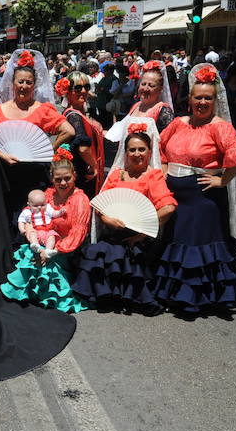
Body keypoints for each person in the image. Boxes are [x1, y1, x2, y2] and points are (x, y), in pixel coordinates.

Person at [155, 64, 236, 314]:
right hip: (175, 195)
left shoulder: (220, 126)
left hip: (202, 198)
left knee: (195, 247)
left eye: (208, 98)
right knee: (175, 243)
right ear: (190, 99)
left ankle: (195, 298)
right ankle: (173, 293)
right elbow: (161, 147)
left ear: (215, 100)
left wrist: (222, 180)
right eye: (198, 97)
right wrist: (165, 170)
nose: (202, 102)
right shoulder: (178, 123)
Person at [72, 122, 176, 315]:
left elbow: (168, 208)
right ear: (125, 152)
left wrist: (143, 232)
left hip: (138, 238)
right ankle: (106, 295)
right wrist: (106, 219)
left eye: (141, 149)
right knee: (100, 250)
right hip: (113, 232)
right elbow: (100, 205)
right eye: (132, 149)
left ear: (149, 151)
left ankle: (125, 295)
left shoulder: (153, 176)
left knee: (123, 254)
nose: (137, 154)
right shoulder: (117, 175)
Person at [0, 148, 91, 314]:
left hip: (67, 248)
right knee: (31, 254)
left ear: (74, 175)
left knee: (45, 262)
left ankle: (48, 297)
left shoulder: (80, 199)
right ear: (52, 179)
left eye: (67, 178)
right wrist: (30, 233)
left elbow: (78, 233)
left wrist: (54, 251)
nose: (63, 183)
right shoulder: (47, 194)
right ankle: (29, 294)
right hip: (44, 240)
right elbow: (30, 216)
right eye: (58, 179)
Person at [55, 71, 104, 197]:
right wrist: (94, 166)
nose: (83, 91)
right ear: (68, 91)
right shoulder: (74, 116)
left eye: (86, 87)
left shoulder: (75, 113)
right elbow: (83, 148)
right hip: (83, 172)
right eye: (77, 88)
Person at [105, 60, 174, 143]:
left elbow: (164, 140)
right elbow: (122, 128)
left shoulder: (163, 110)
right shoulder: (137, 105)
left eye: (151, 85)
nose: (145, 88)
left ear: (160, 89)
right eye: (143, 84)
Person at [18, 189, 66, 257]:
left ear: (46, 202)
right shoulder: (27, 212)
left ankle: (48, 250)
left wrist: (60, 212)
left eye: (42, 204)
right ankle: (35, 245)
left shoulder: (48, 208)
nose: (39, 207)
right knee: (31, 233)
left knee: (52, 236)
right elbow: (21, 221)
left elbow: (54, 213)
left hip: (47, 231)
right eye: (36, 206)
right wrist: (22, 229)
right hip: (35, 231)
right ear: (29, 204)